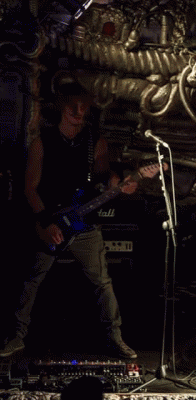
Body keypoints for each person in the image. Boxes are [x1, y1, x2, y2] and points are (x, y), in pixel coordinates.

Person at [0, 82, 137, 359]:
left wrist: (118, 183)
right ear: (62, 107)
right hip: (51, 221)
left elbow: (103, 179)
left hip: (84, 225)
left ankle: (115, 337)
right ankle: (16, 337)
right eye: (73, 106)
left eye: (83, 107)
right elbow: (30, 188)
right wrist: (44, 222)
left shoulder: (95, 142)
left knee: (103, 282)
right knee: (30, 280)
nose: (78, 111)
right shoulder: (42, 142)